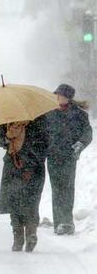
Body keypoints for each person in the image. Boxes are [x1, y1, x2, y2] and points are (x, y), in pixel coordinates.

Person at [0, 116, 49, 252]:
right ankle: (17, 236)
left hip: (34, 167)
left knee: (31, 201)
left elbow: (44, 144)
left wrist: (30, 164)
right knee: (14, 202)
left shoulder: (38, 120)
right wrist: (8, 137)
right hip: (13, 165)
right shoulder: (7, 121)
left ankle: (31, 233)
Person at [46, 84, 92, 235]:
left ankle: (67, 222)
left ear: (68, 98)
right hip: (53, 157)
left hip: (69, 157)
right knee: (57, 190)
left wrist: (80, 145)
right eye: (56, 94)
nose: (57, 97)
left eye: (60, 95)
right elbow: (42, 134)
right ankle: (59, 223)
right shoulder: (49, 113)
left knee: (67, 189)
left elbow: (87, 134)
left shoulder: (79, 115)